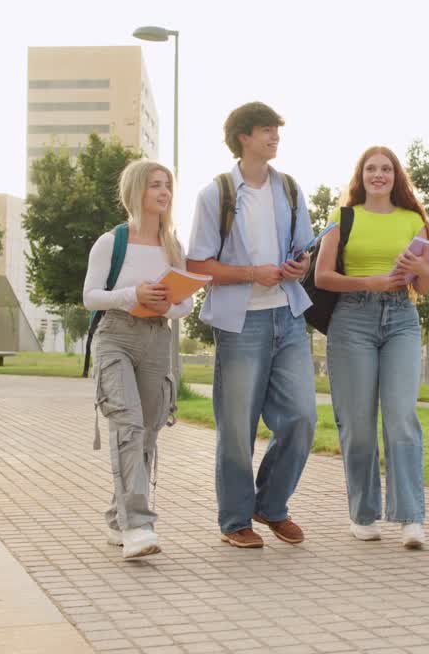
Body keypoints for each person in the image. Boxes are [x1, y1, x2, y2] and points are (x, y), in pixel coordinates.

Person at [186, 102, 317, 549]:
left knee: (302, 417)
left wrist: (300, 265)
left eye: (276, 130)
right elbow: (198, 265)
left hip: (288, 316)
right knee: (237, 428)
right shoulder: (217, 194)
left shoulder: (291, 189)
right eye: (266, 130)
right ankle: (236, 520)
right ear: (244, 137)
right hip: (240, 323)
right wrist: (251, 274)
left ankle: (271, 505)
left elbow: (304, 251)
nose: (275, 137)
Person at [315, 146, 429, 549]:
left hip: (401, 318)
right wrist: (369, 282)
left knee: (401, 417)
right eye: (371, 168)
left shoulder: (413, 220)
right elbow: (322, 277)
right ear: (361, 175)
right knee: (358, 425)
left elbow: (424, 286)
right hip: (352, 321)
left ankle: (411, 518)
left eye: (386, 168)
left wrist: (422, 271)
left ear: (396, 176)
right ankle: (363, 514)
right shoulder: (343, 217)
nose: (379, 174)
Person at [83, 159, 193, 560]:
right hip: (116, 335)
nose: (164, 192)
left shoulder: (173, 246)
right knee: (127, 426)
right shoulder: (111, 242)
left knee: (146, 432)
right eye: (154, 185)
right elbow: (90, 297)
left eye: (167, 185)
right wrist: (134, 295)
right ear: (136, 191)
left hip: (157, 337)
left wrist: (168, 304)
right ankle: (138, 528)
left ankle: (119, 519)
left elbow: (185, 305)